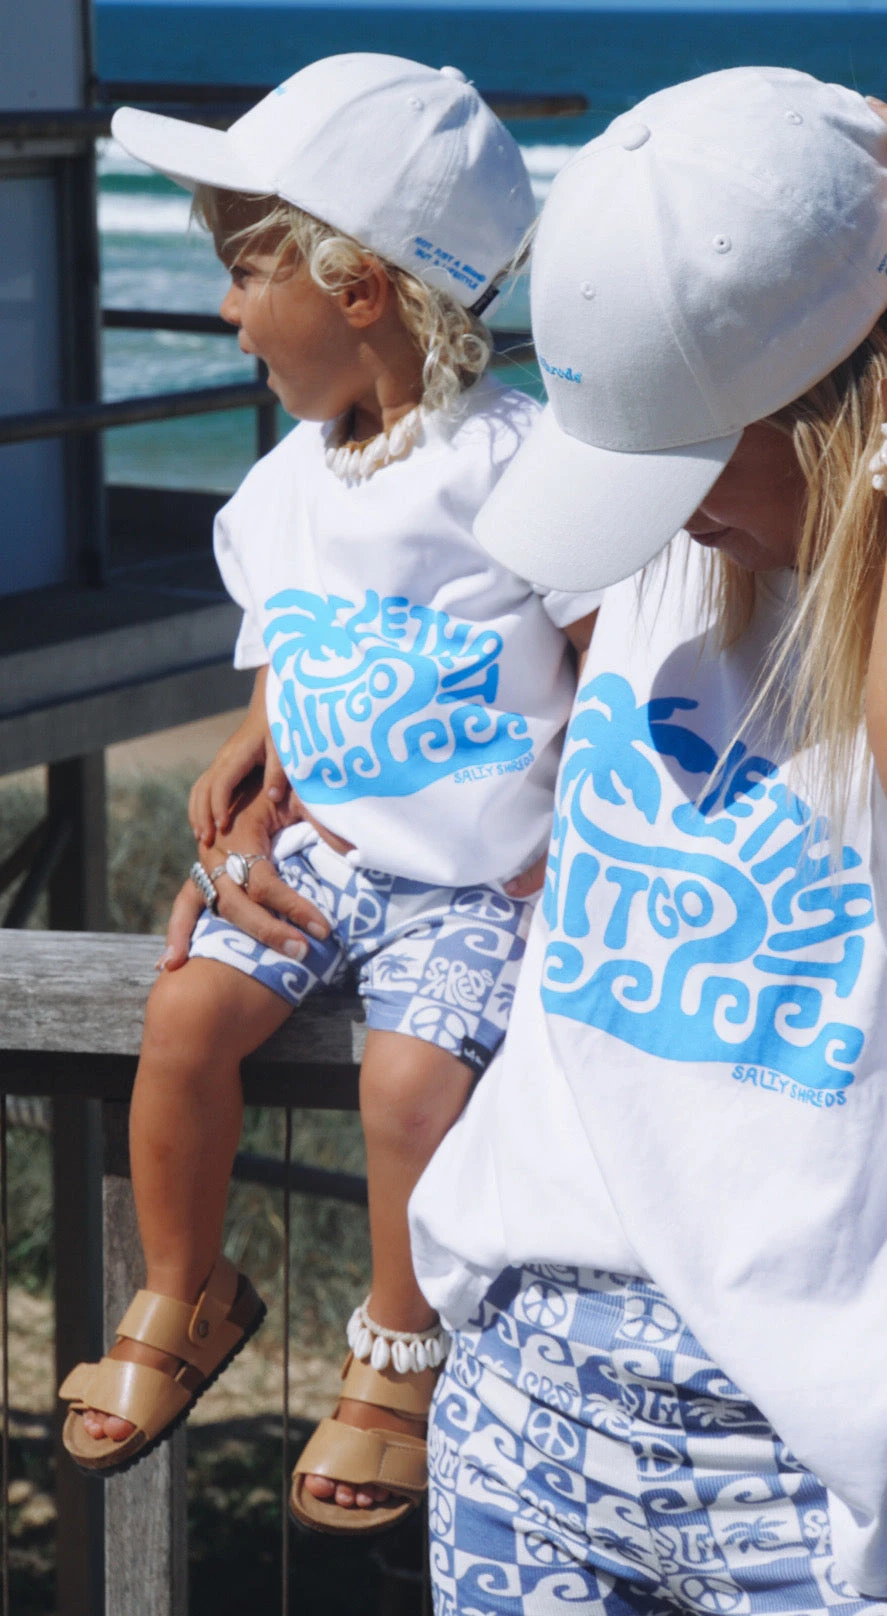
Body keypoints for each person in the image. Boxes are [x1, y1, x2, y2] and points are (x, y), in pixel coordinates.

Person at [408, 68, 887, 1612]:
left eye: (689, 463)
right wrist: (281, 776)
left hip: (822, 1492)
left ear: (845, 410)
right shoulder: (684, 553)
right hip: (521, 1405)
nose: (666, 516)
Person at [57, 54, 598, 1534]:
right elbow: (298, 636)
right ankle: (184, 1287)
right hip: (322, 855)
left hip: (476, 874)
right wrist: (257, 741)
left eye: (248, 275)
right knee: (183, 1021)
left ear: (356, 285)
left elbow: (607, 649)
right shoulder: (287, 484)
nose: (229, 315)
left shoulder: (516, 464)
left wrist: (582, 835)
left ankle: (400, 1343)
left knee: (409, 1088)